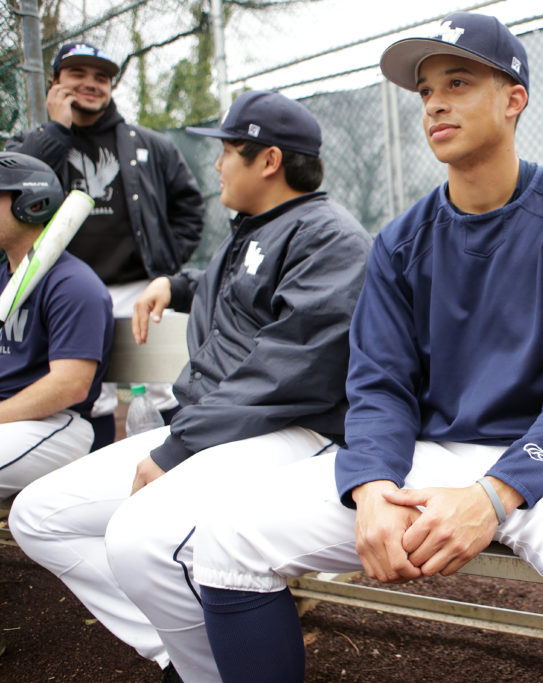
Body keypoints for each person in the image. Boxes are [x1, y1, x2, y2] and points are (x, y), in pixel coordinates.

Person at [183, 14, 543, 682]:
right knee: (228, 537)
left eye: (459, 81)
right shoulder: (399, 241)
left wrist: (495, 494)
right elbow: (380, 384)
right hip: (435, 453)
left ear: (514, 98)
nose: (435, 101)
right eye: (424, 91)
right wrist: (374, 487)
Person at [8, 91, 371, 682]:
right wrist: (174, 285)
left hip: (291, 431)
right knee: (38, 516)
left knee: (139, 537)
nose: (218, 165)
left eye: (228, 151)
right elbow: (237, 283)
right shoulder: (254, 228)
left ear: (269, 161)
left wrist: (180, 447)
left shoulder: (330, 238)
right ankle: (196, 652)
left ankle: (212, 666)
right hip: (219, 428)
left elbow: (294, 366)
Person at [5, 42, 205, 442]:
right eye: (78, 74)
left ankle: (164, 469)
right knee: (91, 399)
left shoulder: (149, 144)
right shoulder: (33, 143)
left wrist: (163, 264)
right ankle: (88, 477)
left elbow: (190, 207)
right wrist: (57, 129)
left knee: (160, 386)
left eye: (101, 77)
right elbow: (12, 187)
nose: (91, 85)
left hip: (137, 286)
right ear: (55, 82)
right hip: (65, 290)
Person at [0, 151, 113, 497]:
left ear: (30, 203)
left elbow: (70, 385)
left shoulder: (72, 283)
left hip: (55, 424)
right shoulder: (3, 275)